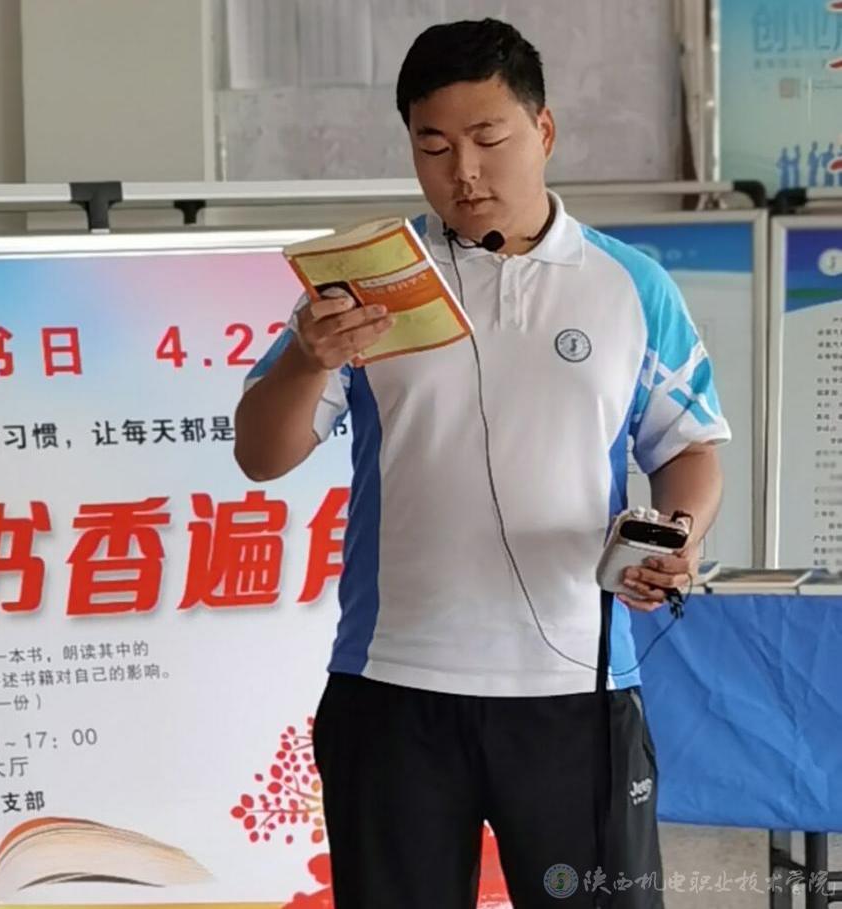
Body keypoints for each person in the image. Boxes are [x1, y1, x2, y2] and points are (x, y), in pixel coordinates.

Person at [234, 18, 728, 909]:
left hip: (576, 689)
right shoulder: (366, 286)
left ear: (543, 130)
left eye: (487, 138)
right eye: (432, 146)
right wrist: (307, 359)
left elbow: (686, 445)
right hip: (393, 684)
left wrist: (680, 534)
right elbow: (260, 455)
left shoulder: (627, 285)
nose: (462, 170)